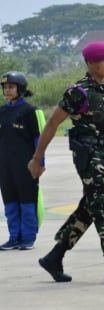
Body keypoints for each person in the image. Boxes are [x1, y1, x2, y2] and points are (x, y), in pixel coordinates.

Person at [28, 41, 104, 283]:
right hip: (90, 158)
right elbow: (52, 123)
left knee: (90, 207)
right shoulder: (78, 92)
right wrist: (37, 158)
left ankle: (54, 257)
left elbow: (103, 117)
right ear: (90, 64)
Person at [0, 71, 41, 250]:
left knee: (27, 201)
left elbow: (37, 139)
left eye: (11, 87)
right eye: (5, 87)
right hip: (5, 165)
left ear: (20, 88)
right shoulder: (2, 111)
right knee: (10, 202)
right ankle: (13, 237)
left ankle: (28, 238)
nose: (7, 90)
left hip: (26, 165)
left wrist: (40, 162)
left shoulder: (29, 111)